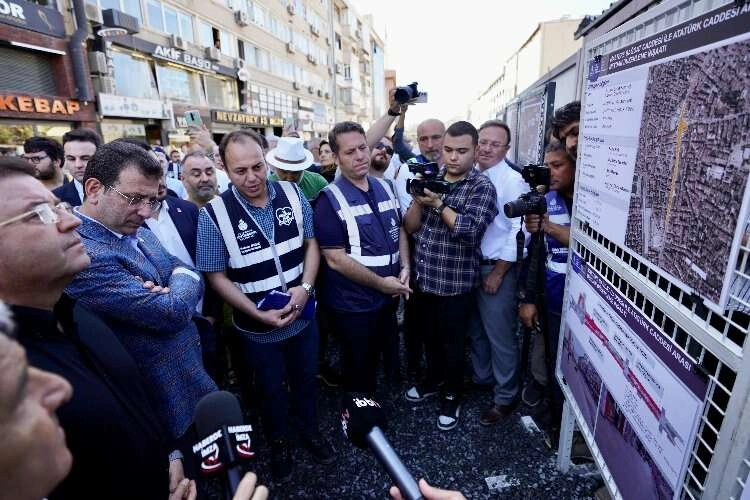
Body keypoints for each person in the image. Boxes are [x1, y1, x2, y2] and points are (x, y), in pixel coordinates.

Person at [0, 157, 194, 499]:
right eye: (38, 214)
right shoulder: (9, 374)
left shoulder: (77, 314)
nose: (71, 221)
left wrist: (168, 452)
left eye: (58, 207)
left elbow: (133, 399)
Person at [196, 130, 333, 482]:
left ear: (266, 159)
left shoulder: (292, 192)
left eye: (258, 167)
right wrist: (257, 313)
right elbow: (215, 276)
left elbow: (312, 244)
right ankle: (279, 442)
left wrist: (305, 288)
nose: (252, 178)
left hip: (303, 315)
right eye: (240, 171)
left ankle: (309, 429)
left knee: (306, 378)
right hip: (257, 326)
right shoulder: (213, 214)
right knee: (269, 389)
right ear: (223, 167)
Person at [64, 141, 217, 442]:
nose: (146, 212)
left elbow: (186, 269)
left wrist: (175, 284)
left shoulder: (133, 227)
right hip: (159, 407)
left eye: (152, 200)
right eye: (134, 198)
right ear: (93, 189)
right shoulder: (82, 254)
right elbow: (172, 313)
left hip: (191, 380)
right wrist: (175, 289)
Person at [403, 121, 498, 431]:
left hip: (456, 284)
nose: (453, 157)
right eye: (448, 150)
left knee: (454, 345)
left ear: (475, 151)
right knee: (429, 338)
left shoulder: (481, 186)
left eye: (461, 151)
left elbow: (471, 232)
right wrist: (419, 199)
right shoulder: (433, 177)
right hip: (425, 277)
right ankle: (432, 380)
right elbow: (411, 227)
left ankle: (452, 394)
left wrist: (439, 203)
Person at [314, 121, 411, 394]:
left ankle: (376, 406)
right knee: (358, 368)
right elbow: (335, 259)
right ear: (336, 158)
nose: (359, 156)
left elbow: (399, 229)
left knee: (382, 359)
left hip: (387, 298)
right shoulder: (329, 199)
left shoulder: (386, 186)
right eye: (349, 152)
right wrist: (382, 284)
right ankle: (359, 413)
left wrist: (405, 265)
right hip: (354, 305)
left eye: (362, 148)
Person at [467, 120, 528, 426]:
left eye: (495, 144)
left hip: (496, 267)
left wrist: (499, 273)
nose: (487, 148)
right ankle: (483, 379)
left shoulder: (513, 182)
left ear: (507, 149)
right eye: (483, 142)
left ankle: (505, 396)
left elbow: (519, 232)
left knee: (500, 335)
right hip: (470, 266)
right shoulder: (471, 175)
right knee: (476, 330)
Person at [519, 140, 576, 435]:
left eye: (558, 165)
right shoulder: (545, 199)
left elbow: (589, 243)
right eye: (547, 166)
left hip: (587, 302)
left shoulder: (591, 202)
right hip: (552, 297)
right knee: (550, 352)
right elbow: (535, 256)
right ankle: (547, 398)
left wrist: (548, 226)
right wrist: (529, 299)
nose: (550, 172)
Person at [267, 137, 329, 201]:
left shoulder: (318, 183)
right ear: (276, 168)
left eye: (295, 172)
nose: (289, 178)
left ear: (303, 168)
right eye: (284, 172)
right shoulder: (267, 186)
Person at [53, 128, 102, 206]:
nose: (78, 165)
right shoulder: (55, 197)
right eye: (71, 159)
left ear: (100, 157)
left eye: (85, 158)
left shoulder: (118, 191)